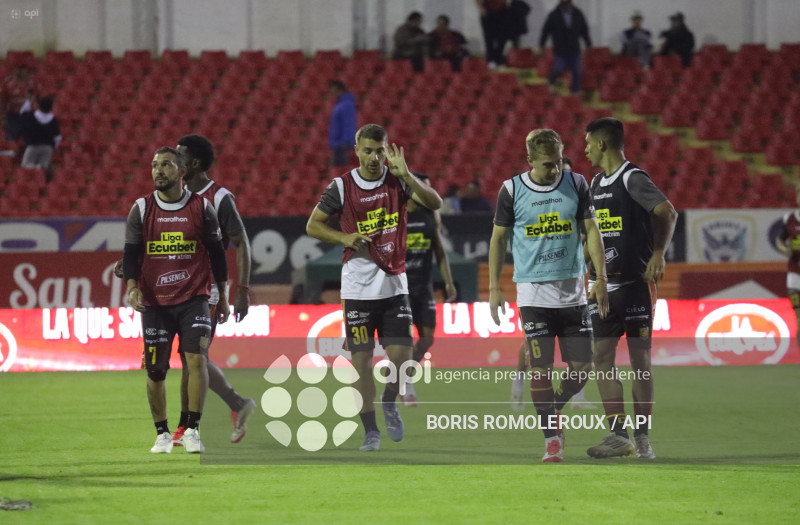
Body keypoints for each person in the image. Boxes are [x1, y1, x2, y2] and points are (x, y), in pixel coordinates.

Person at [306, 124, 442, 451]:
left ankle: (390, 400)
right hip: (357, 291)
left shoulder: (398, 181)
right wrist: (344, 238)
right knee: (362, 362)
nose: (374, 157)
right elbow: (313, 225)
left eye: (379, 150)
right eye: (368, 150)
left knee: (402, 357)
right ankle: (371, 431)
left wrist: (407, 174)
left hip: (394, 285)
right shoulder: (341, 187)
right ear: (357, 150)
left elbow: (435, 203)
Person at [489, 129, 609, 462]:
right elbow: (498, 240)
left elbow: (591, 230)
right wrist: (495, 288)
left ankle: (553, 408)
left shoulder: (577, 183)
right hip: (533, 295)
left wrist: (600, 277)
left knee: (583, 367)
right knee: (540, 367)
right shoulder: (512, 190)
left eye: (558, 163)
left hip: (572, 294)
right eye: (547, 165)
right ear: (529, 160)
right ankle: (551, 439)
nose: (554, 170)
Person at [123, 146, 230, 454]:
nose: (158, 170)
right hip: (154, 303)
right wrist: (132, 287)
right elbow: (131, 253)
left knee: (196, 359)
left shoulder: (202, 208)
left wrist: (222, 296)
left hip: (194, 298)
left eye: (166, 165)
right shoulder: (141, 209)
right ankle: (162, 434)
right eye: (155, 165)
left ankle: (193, 430)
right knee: (156, 370)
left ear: (181, 172)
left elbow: (217, 254)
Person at [583, 117, 677, 460]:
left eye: (588, 143)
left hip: (635, 286)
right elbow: (591, 234)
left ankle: (642, 437)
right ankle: (618, 435)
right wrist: (590, 277)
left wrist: (657, 253)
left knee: (641, 362)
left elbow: (667, 211)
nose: (585, 150)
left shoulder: (631, 178)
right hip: (603, 287)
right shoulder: (594, 183)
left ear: (602, 144)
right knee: (602, 360)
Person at [171, 134, 256, 446]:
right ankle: (237, 404)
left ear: (193, 164)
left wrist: (243, 290)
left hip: (207, 290)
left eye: (179, 155)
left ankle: (185, 428)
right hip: (177, 288)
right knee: (192, 358)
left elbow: (242, 242)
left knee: (192, 357)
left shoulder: (219, 198)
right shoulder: (172, 195)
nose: (173, 159)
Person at [509, 156, 596, 411]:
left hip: (570, 290)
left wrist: (582, 262)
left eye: (564, 172)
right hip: (537, 292)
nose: (558, 176)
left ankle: (573, 398)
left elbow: (591, 236)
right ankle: (518, 382)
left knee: (581, 361)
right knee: (534, 351)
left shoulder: (576, 197)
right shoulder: (530, 200)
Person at [402, 173, 458, 406]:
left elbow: (439, 250)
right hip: (400, 288)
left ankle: (402, 373)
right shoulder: (396, 216)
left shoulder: (428, 216)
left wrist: (448, 282)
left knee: (426, 339)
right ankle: (407, 385)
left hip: (423, 286)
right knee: (404, 339)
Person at [539, 0, 592, 94]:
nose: (566, 5)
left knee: (577, 71)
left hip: (574, 49)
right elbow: (545, 31)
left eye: (568, 3)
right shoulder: (554, 15)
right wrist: (541, 45)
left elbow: (584, 30)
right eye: (564, 3)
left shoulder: (578, 13)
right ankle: (551, 81)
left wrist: (588, 44)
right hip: (560, 50)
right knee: (558, 69)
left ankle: (575, 92)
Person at [774, 186, 800, 347]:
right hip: (795, 273)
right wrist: (785, 249)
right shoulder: (789, 218)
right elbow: (780, 240)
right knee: (798, 315)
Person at [19, 95, 61, 182]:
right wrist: (54, 147)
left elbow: (22, 111)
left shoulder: (31, 116)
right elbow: (58, 138)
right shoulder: (53, 121)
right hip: (47, 147)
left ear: (39, 105)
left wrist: (29, 101)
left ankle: (37, 168)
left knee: (26, 166)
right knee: (43, 171)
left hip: (33, 146)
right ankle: (40, 177)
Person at [1, 60, 39, 141]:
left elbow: (41, 97)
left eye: (22, 70)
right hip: (13, 115)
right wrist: (3, 116)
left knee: (31, 140)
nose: (20, 73)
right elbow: (2, 99)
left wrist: (34, 98)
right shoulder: (7, 82)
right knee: (12, 140)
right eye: (17, 70)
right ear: (13, 71)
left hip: (29, 115)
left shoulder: (33, 81)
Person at [328, 81, 357, 167]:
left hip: (341, 144)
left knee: (338, 171)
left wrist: (346, 142)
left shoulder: (346, 105)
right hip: (337, 143)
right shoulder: (341, 104)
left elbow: (348, 124)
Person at [476, 0, 510, 68]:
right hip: (488, 13)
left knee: (503, 38)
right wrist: (481, 8)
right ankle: (491, 60)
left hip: (503, 12)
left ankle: (498, 58)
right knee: (489, 39)